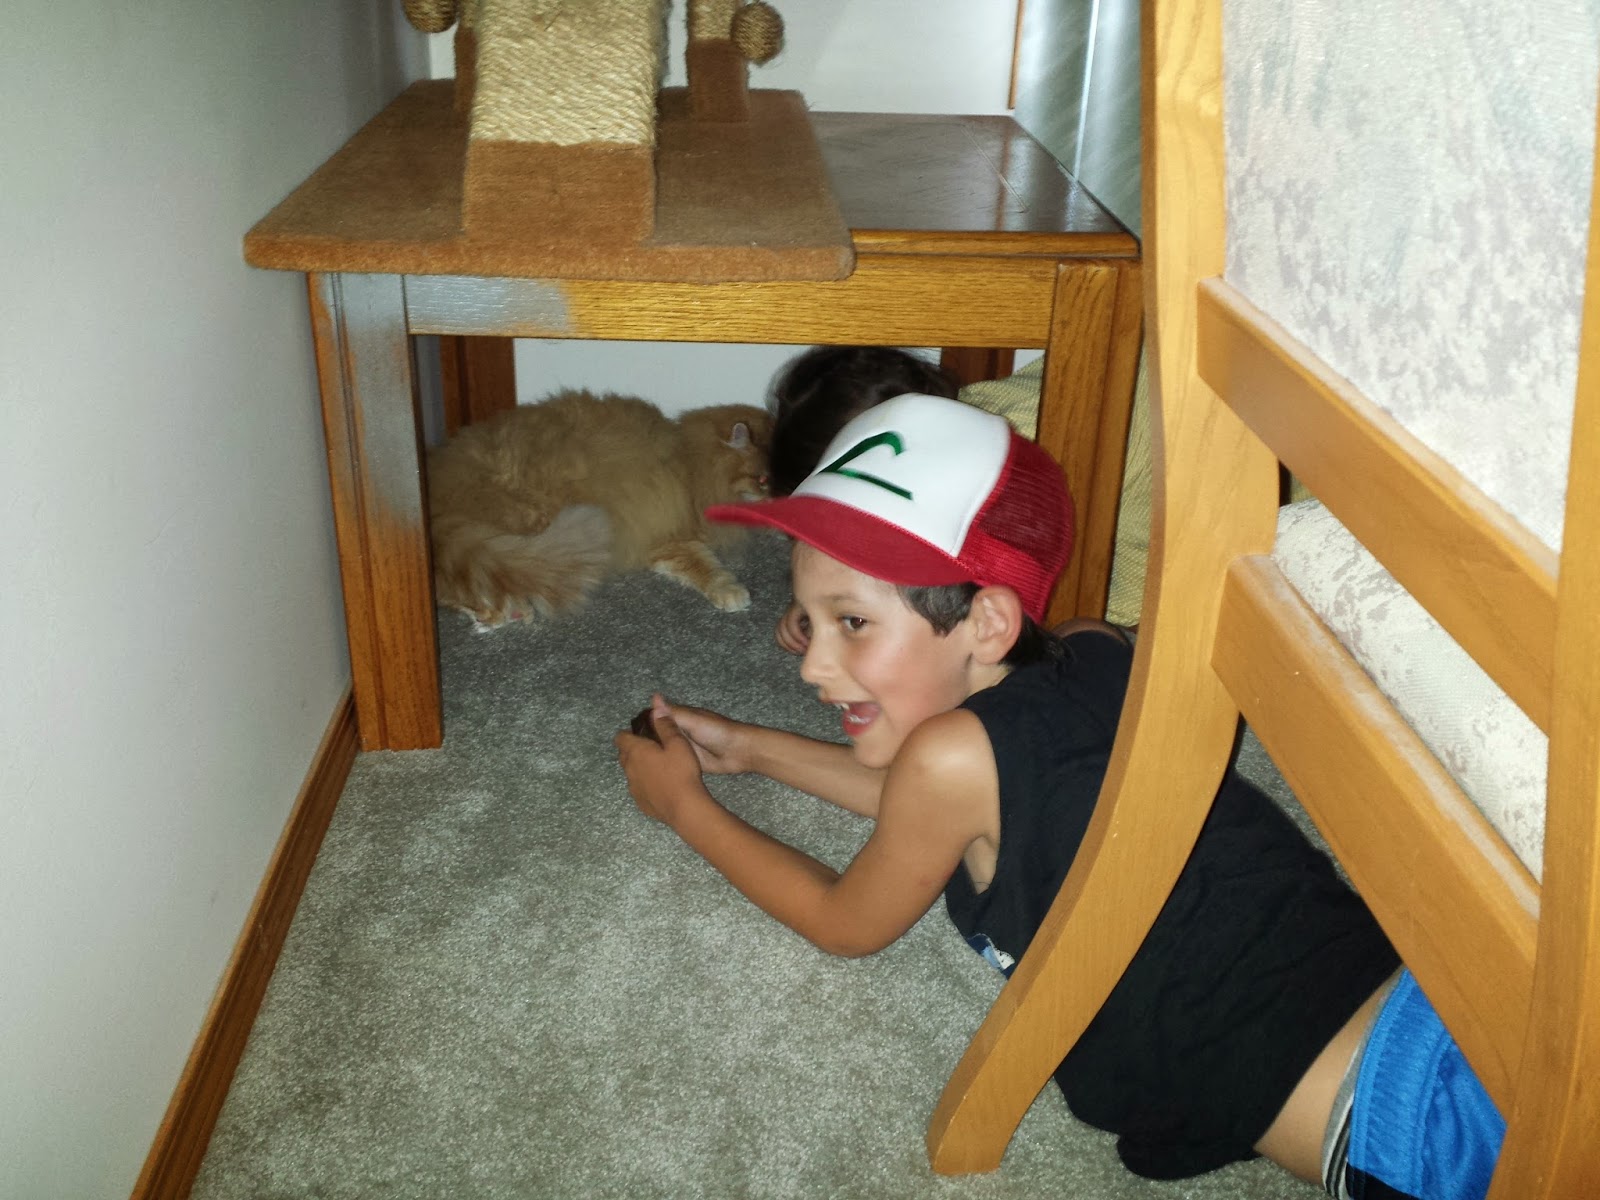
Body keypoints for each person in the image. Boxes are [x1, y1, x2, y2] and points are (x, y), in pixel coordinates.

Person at [613, 393, 1505, 1200]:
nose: (811, 662)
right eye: (808, 621)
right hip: (1449, 1002)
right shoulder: (1091, 651)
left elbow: (844, 922)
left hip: (1417, 1121)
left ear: (988, 622)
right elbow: (944, 801)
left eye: (851, 623)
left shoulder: (950, 762)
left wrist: (685, 807)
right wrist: (752, 749)